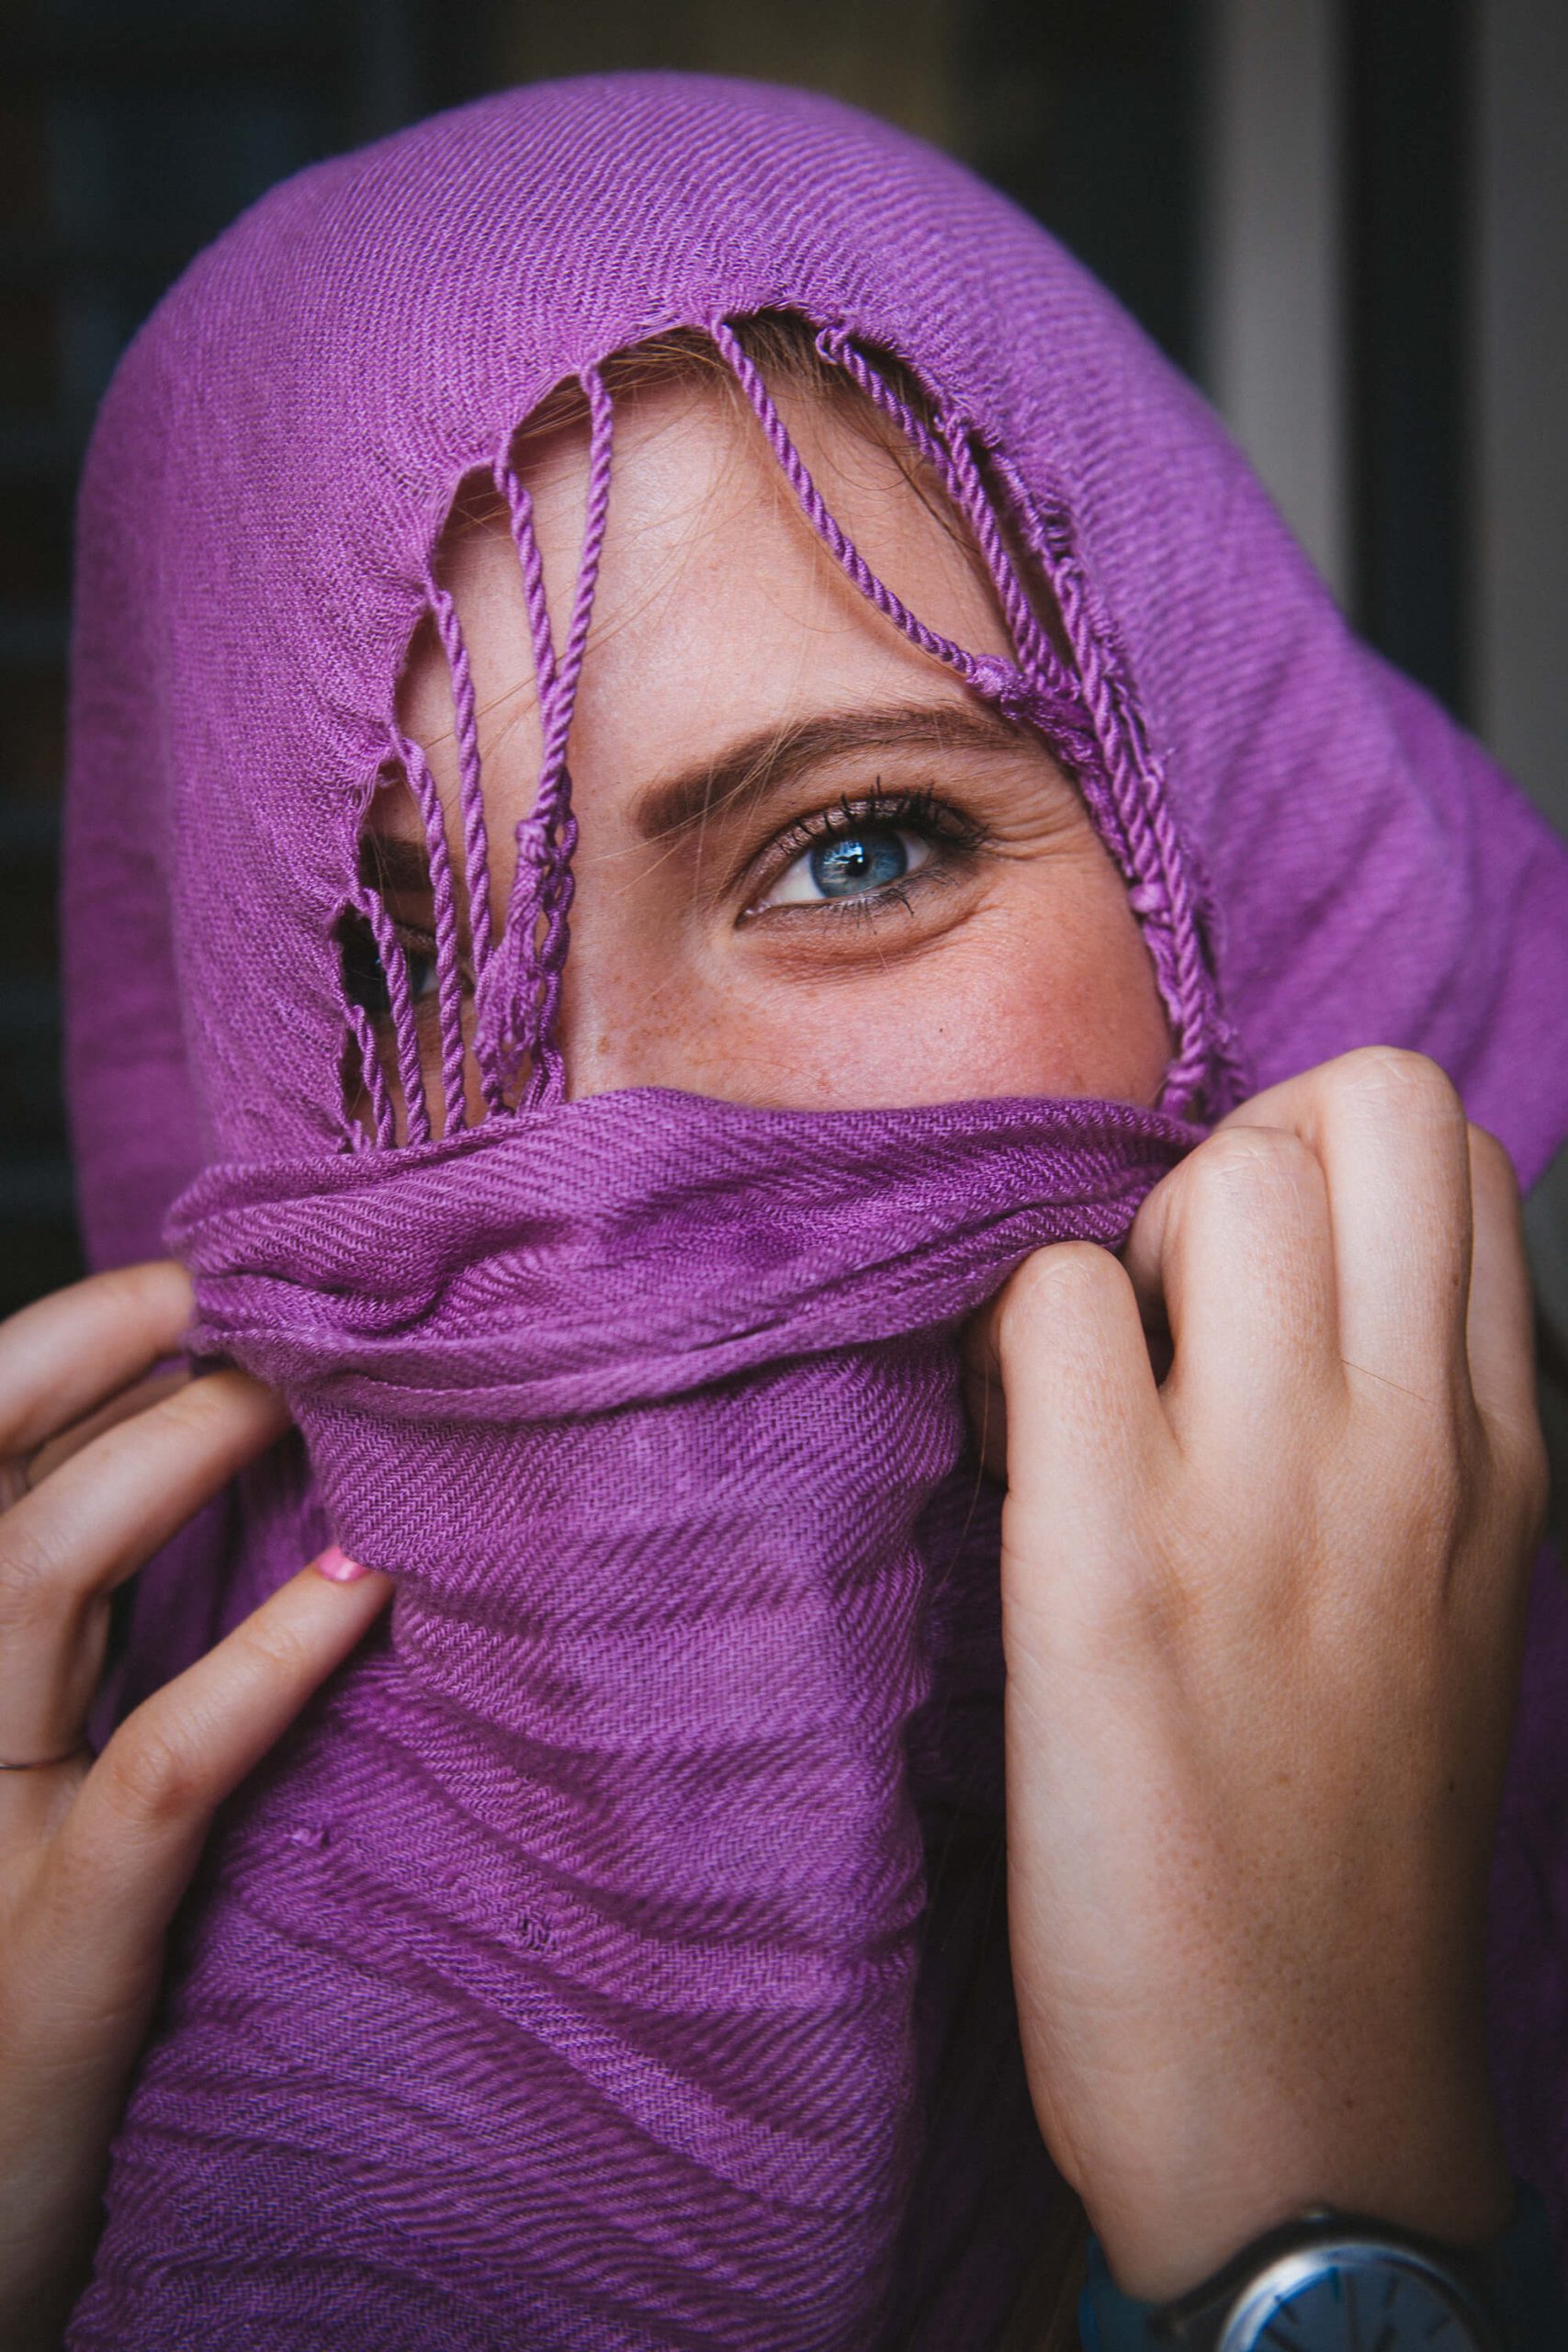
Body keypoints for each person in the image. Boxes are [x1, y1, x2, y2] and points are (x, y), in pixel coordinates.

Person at [3, 73, 1568, 2352]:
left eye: (853, 849)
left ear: (1229, 873)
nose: (606, 1151)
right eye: (388, 963)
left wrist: (1305, 2180)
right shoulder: (67, 1962)